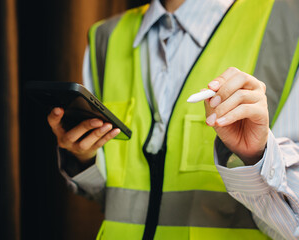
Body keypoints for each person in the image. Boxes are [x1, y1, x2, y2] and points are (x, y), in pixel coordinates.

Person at [48, 0, 299, 239]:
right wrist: (83, 156)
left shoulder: (289, 23)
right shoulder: (106, 36)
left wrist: (257, 159)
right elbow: (112, 196)